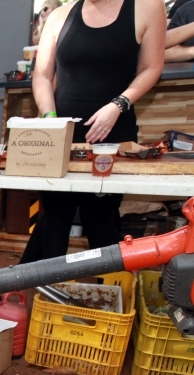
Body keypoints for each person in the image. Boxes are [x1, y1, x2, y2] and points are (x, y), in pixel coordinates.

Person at [19, 0, 166, 265]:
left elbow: (151, 68)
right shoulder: (59, 17)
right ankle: (48, 293)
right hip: (62, 138)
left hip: (113, 136)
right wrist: (49, 116)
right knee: (54, 215)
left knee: (100, 216)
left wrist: (118, 105)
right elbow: (41, 75)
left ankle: (110, 291)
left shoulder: (146, 8)